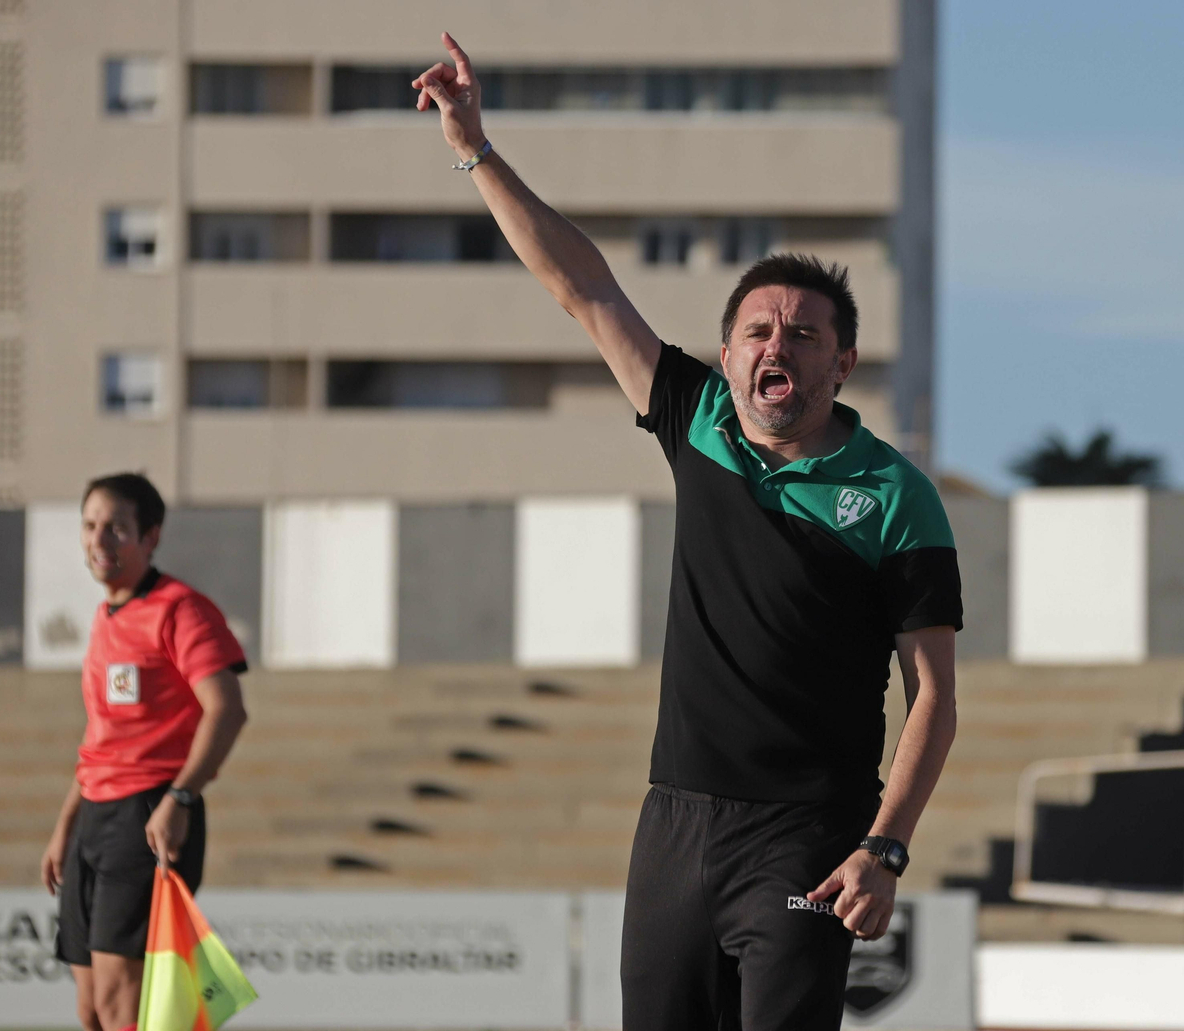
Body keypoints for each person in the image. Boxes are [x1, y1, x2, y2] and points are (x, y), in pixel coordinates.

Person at [411, 33, 961, 1031]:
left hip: (807, 837)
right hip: (673, 823)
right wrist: (474, 148)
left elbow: (933, 695)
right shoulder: (697, 418)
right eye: (758, 330)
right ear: (727, 353)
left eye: (804, 333)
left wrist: (884, 846)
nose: (777, 343)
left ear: (842, 363)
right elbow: (583, 288)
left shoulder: (894, 493)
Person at [41, 474, 250, 1031]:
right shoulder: (105, 616)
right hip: (93, 820)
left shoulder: (180, 609)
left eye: (116, 528)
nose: (99, 540)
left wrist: (180, 798)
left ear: (150, 536)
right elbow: (102, 737)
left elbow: (227, 709)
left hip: (149, 815)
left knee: (123, 1008)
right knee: (91, 1010)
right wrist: (66, 827)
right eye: (90, 525)